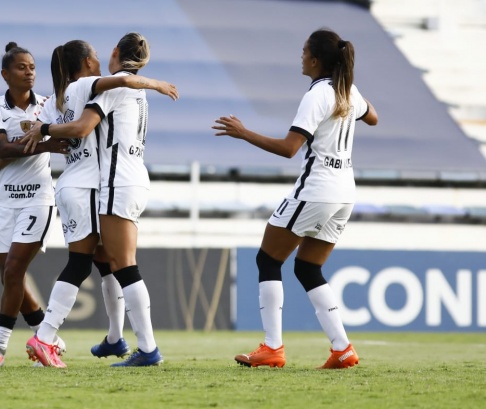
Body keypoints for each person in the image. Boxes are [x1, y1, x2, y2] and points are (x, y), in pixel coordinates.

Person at [212, 28, 378, 369]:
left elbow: (290, 149)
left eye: (304, 52)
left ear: (316, 60)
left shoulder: (317, 95)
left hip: (317, 188)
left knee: (268, 260)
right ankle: (342, 349)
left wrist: (243, 133)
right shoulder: (348, 90)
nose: (300, 57)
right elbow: (372, 117)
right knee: (307, 267)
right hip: (345, 191)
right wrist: (352, 93)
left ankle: (272, 347)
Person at [22, 32, 177, 367]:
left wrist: (43, 130)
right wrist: (155, 84)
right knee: (108, 263)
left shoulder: (63, 96)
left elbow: (39, 126)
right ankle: (108, 340)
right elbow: (81, 126)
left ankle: (116, 339)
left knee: (108, 262)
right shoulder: (100, 86)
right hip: (106, 184)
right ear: (88, 63)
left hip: (94, 184)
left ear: (114, 53)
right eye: (92, 55)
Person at [0, 42, 70, 368]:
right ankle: (48, 338)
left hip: (37, 198)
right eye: (21, 67)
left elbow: (65, 139)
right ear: (5, 74)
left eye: (32, 67)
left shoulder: (46, 106)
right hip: (4, 200)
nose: (29, 71)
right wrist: (44, 144)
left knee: (15, 269)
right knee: (9, 277)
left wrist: (14, 154)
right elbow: (2, 148)